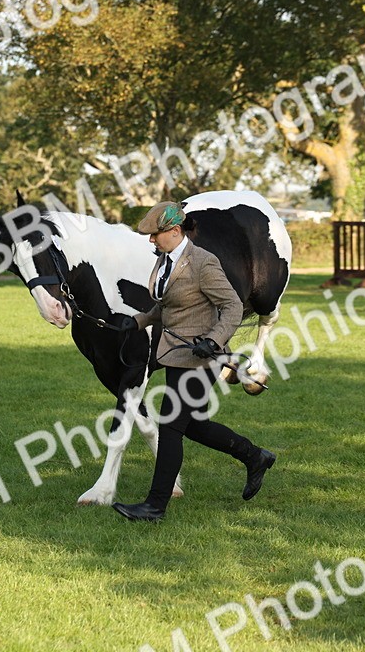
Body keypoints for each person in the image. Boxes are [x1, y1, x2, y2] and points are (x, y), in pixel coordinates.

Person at [112, 201, 277, 522]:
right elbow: (171, 306)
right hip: (176, 353)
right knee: (195, 425)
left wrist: (213, 340)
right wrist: (138, 321)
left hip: (202, 359)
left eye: (155, 234)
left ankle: (154, 506)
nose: (150, 240)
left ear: (174, 231)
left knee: (171, 426)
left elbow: (231, 306)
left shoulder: (202, 262)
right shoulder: (165, 261)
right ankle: (255, 456)